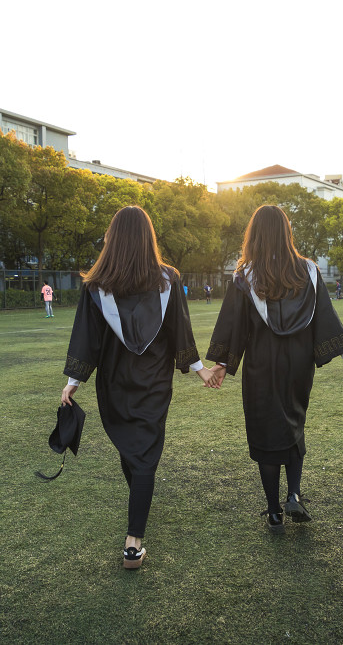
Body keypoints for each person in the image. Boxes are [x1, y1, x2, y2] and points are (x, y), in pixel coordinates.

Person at [60, 206, 218, 570]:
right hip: (153, 381)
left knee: (138, 454)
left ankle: (134, 540)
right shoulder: (166, 279)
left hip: (115, 382)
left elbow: (87, 339)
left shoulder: (98, 284)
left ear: (112, 238)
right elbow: (180, 329)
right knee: (140, 453)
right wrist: (198, 369)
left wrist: (74, 382)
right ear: (149, 238)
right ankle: (137, 520)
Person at [207, 205, 343, 534]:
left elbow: (233, 325)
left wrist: (221, 363)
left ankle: (275, 512)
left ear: (255, 235)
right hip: (299, 364)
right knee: (294, 423)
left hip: (262, 363)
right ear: (287, 232)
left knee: (266, 432)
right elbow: (325, 317)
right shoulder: (307, 270)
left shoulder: (245, 275)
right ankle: (293, 494)